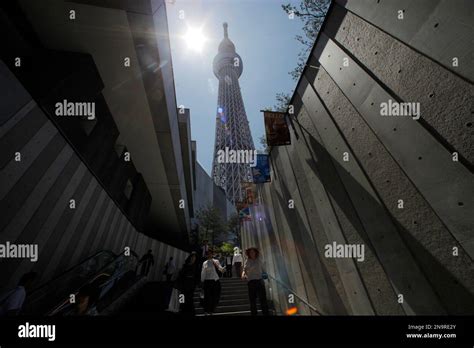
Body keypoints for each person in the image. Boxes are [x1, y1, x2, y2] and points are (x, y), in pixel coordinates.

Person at [242, 247, 269, 316]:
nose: (252, 253)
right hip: (251, 282)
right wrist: (243, 275)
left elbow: (264, 270)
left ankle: (265, 313)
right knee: (252, 300)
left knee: (263, 299)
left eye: (253, 252)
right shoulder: (247, 261)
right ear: (248, 253)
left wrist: (266, 277)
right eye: (250, 252)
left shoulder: (259, 260)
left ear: (255, 252)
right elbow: (244, 270)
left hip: (259, 281)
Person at [201, 249, 225, 315]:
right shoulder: (204, 263)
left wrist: (222, 269)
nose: (209, 255)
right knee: (207, 297)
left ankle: (211, 310)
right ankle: (206, 310)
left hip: (215, 281)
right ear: (206, 255)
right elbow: (203, 272)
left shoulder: (216, 261)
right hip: (207, 281)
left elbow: (220, 268)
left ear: (212, 254)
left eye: (210, 253)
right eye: (208, 253)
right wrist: (202, 281)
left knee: (215, 296)